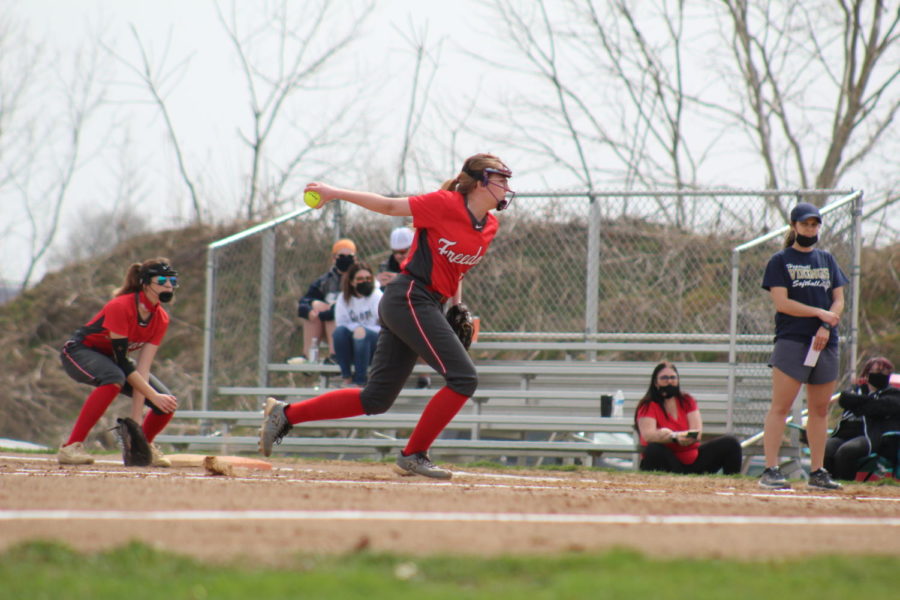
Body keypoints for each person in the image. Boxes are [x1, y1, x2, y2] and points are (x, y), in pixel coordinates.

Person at [260, 153, 514, 479]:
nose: (507, 186)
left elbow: (457, 270)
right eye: (501, 178)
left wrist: (456, 306)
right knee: (464, 378)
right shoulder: (445, 203)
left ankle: (285, 414)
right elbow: (390, 206)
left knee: (376, 398)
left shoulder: (490, 225)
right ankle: (414, 454)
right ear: (480, 182)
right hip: (409, 297)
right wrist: (335, 192)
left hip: (427, 304)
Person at [758, 202, 849, 490]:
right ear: (794, 226)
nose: (810, 229)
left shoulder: (826, 259)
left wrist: (826, 324)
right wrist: (818, 313)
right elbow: (783, 303)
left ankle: (818, 471)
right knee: (781, 406)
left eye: (815, 224)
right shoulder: (780, 260)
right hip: (793, 339)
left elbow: (838, 300)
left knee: (820, 409)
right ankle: (770, 469)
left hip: (825, 340)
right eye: (805, 224)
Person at [57, 258, 179, 466]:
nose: (168, 285)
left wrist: (137, 421)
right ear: (145, 283)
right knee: (114, 378)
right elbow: (123, 362)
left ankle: (142, 448)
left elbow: (142, 368)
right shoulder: (121, 306)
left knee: (166, 403)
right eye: (161, 280)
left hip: (113, 360)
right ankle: (71, 447)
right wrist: (152, 395)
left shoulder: (161, 318)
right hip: (80, 352)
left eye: (173, 280)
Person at [634, 361, 742, 474]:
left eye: (673, 377)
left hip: (693, 459)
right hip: (666, 460)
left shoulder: (687, 400)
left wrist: (686, 438)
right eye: (664, 378)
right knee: (654, 449)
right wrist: (674, 438)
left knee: (730, 443)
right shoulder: (648, 405)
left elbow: (697, 432)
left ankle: (731, 484)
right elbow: (648, 436)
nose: (669, 381)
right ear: (656, 382)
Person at [825, 356, 900, 481]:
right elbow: (844, 399)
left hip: (870, 437)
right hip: (844, 433)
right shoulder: (856, 390)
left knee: (847, 450)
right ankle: (827, 481)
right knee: (828, 447)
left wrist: (857, 404)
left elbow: (879, 407)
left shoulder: (894, 394)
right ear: (867, 373)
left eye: (885, 372)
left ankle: (844, 483)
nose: (881, 375)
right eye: (877, 371)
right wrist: (867, 403)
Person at [293, 238, 357, 364]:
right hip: (330, 330)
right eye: (341, 256)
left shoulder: (360, 278)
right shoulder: (324, 281)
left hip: (355, 326)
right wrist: (312, 305)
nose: (345, 259)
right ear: (334, 258)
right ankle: (309, 357)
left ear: (355, 259)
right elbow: (303, 303)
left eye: (349, 256)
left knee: (333, 311)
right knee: (318, 310)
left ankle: (336, 355)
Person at [333, 262, 383, 387]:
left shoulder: (377, 296)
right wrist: (357, 329)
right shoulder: (343, 298)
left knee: (361, 332)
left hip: (375, 343)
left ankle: (360, 381)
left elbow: (385, 325)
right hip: (353, 342)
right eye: (360, 279)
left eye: (367, 279)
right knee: (339, 332)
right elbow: (341, 324)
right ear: (352, 282)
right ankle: (347, 378)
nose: (364, 282)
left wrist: (361, 330)